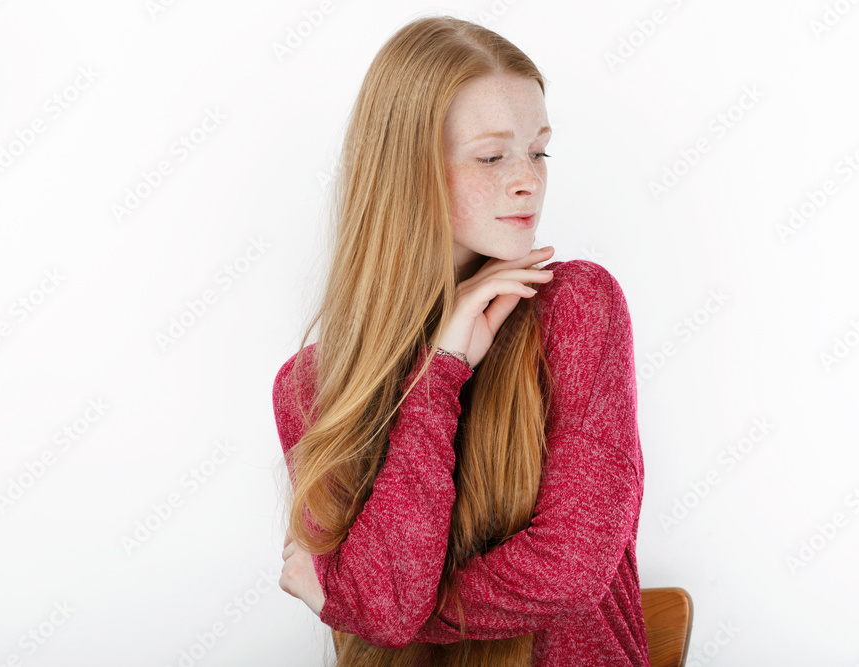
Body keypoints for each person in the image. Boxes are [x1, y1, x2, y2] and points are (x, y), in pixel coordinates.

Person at [276, 14, 649, 666]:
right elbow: (381, 605)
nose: (528, 178)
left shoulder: (578, 307)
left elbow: (572, 566)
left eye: (539, 149)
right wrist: (442, 365)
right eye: (492, 154)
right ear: (407, 171)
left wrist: (365, 604)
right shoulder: (310, 385)